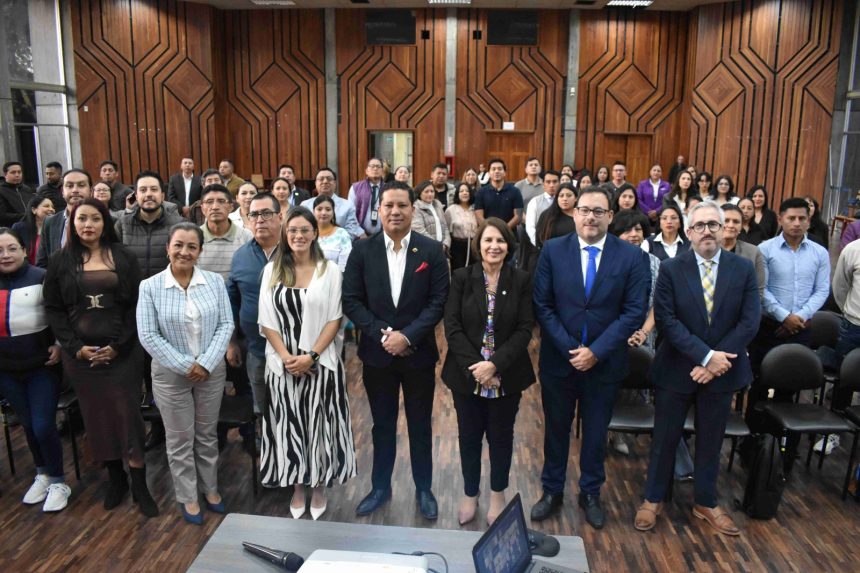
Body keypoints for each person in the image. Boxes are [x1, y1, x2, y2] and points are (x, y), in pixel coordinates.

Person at [635, 202, 760, 536]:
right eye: (700, 225)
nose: (707, 231)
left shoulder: (743, 269)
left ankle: (706, 501)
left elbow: (749, 321)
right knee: (665, 437)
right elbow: (667, 320)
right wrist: (705, 357)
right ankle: (653, 499)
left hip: (723, 370)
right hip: (677, 368)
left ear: (724, 229)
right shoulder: (670, 269)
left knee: (711, 440)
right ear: (688, 232)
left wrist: (715, 362)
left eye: (713, 225)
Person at [531, 186, 650, 529]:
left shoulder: (632, 257)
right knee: (556, 430)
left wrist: (596, 352)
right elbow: (542, 305)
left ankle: (590, 493)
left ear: (610, 216)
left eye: (599, 211)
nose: (590, 217)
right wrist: (573, 350)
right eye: (584, 210)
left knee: (596, 434)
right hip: (560, 360)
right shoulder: (553, 250)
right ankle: (552, 490)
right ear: (574, 213)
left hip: (605, 363)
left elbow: (634, 311)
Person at [43, 198, 158, 517]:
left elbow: (136, 305)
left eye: (95, 218)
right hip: (81, 358)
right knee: (97, 418)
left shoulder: (123, 256)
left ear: (105, 222)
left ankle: (140, 483)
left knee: (128, 416)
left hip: (123, 354)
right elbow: (54, 308)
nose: (88, 224)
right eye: (82, 219)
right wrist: (73, 346)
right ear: (72, 223)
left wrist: (118, 346)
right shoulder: (60, 260)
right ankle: (116, 478)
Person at [342, 181, 449, 520]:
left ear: (412, 210)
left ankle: (424, 489)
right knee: (382, 425)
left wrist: (408, 337)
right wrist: (384, 336)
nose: (395, 211)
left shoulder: (431, 251)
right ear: (379, 210)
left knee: (420, 425)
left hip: (418, 355)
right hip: (378, 356)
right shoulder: (362, 250)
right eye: (388, 205)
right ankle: (380, 487)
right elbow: (351, 300)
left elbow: (438, 302)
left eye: (402, 205)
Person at [259, 206, 356, 520]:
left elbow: (335, 319)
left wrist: (310, 356)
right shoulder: (272, 270)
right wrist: (287, 358)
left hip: (320, 364)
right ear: (285, 235)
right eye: (292, 230)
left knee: (320, 427)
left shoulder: (330, 271)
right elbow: (266, 320)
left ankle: (319, 487)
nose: (298, 235)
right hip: (282, 365)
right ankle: (298, 487)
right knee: (290, 427)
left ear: (315, 233)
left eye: (304, 230)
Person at [137, 222, 233, 524]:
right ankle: (188, 496)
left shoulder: (214, 282)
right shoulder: (150, 287)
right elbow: (148, 335)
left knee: (206, 434)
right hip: (170, 376)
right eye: (178, 245)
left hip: (210, 371)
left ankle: (210, 488)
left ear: (200, 251)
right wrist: (185, 365)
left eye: (192, 246)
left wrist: (205, 363)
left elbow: (226, 325)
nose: (184, 251)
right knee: (180, 439)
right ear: (168, 247)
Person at [442, 218, 535, 526]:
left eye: (500, 241)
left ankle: (497, 494)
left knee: (501, 437)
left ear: (509, 246)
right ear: (478, 245)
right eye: (488, 240)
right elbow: (452, 327)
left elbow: (525, 329)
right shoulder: (461, 277)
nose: (494, 246)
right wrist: (479, 369)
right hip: (466, 374)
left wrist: (494, 365)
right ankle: (470, 493)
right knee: (469, 437)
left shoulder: (520, 280)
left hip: (507, 374)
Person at [750, 198, 830, 457]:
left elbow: (822, 290)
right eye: (791, 218)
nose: (796, 223)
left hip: (801, 328)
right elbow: (761, 289)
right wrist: (784, 316)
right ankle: (753, 444)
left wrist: (799, 317)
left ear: (809, 220)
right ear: (781, 218)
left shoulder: (819, 253)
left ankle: (782, 447)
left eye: (802, 218)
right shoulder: (765, 249)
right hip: (768, 327)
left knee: (789, 388)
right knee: (760, 385)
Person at [0, 228, 69, 512]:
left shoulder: (41, 277)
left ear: (23, 250)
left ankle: (59, 481)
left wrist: (59, 344)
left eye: (11, 248)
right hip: (6, 370)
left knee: (43, 425)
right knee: (27, 424)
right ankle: (42, 473)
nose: (5, 255)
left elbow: (62, 314)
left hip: (42, 367)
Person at [116, 171, 184, 450]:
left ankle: (170, 429)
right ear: (136, 194)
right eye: (143, 190)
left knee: (166, 371)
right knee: (141, 372)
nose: (148, 195)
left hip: (167, 307)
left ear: (162, 194)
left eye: (153, 189)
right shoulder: (122, 224)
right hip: (131, 308)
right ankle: (147, 428)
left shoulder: (177, 224)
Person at [226, 193, 283, 419]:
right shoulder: (241, 256)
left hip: (293, 351)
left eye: (266, 214)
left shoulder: (297, 252)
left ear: (280, 217)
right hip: (256, 349)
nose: (259, 220)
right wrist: (231, 342)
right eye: (254, 215)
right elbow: (232, 302)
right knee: (262, 408)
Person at [36, 169, 93, 268]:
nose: (75, 190)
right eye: (69, 186)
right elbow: (42, 263)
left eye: (81, 185)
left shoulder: (105, 221)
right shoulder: (50, 222)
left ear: (91, 191)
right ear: (62, 191)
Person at [195, 184, 252, 279]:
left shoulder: (246, 236)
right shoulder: (194, 237)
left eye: (221, 201)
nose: (215, 207)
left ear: (231, 207)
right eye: (209, 202)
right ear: (202, 208)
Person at [830, 238, 860, 413]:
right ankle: (837, 421)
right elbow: (840, 287)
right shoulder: (853, 249)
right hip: (854, 325)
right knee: (844, 381)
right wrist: (849, 312)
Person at [300, 167, 364, 240]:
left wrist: (332, 243)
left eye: (329, 179)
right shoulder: (305, 205)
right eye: (321, 179)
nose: (325, 181)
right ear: (315, 183)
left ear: (335, 183)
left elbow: (351, 232)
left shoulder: (348, 206)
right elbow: (302, 229)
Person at [721, 204, 766, 298]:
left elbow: (758, 291)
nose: (731, 225)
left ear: (741, 227)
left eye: (736, 222)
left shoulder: (753, 252)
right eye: (726, 220)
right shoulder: (704, 249)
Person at [474, 158, 523, 231]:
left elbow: (518, 216)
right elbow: (479, 216)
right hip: (487, 233)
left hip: (509, 234)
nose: (496, 171)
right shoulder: (481, 192)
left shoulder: (515, 191)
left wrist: (503, 230)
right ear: (489, 173)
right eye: (493, 169)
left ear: (505, 172)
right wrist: (490, 230)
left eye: (500, 169)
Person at [313, 195, 352, 272]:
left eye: (328, 209)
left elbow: (344, 266)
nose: (323, 213)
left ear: (333, 212)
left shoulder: (342, 234)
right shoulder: (308, 233)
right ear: (313, 211)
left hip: (335, 277)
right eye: (319, 209)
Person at [348, 158, 387, 237]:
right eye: (372, 166)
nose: (375, 168)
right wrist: (360, 232)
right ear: (366, 171)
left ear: (382, 171)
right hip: (361, 236)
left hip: (384, 234)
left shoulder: (389, 188)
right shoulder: (356, 188)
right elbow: (350, 213)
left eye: (378, 166)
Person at [12, 196, 55, 265]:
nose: (51, 209)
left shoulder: (55, 228)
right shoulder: (19, 228)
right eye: (46, 206)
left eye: (52, 207)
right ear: (34, 210)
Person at [445, 182, 478, 270]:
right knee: (458, 271)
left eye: (467, 191)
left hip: (473, 245)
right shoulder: (451, 210)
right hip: (457, 246)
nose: (464, 193)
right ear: (457, 194)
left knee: (473, 270)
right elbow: (446, 230)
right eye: (461, 191)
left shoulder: (475, 209)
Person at [535, 182, 577, 249]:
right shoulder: (547, 215)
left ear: (576, 198)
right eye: (561, 196)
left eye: (569, 195)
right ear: (557, 198)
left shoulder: (581, 216)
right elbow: (539, 239)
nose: (565, 199)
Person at [412, 181, 451, 251]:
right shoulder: (416, 207)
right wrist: (436, 245)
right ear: (419, 193)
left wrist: (446, 244)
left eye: (432, 191)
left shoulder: (438, 205)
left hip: (442, 248)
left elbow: (445, 227)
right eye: (426, 192)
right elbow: (419, 230)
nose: (430, 194)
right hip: (425, 248)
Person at [525, 170, 560, 246]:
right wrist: (537, 243)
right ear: (543, 184)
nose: (551, 185)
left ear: (559, 183)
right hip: (540, 243)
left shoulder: (563, 201)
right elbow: (530, 227)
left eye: (555, 182)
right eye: (548, 182)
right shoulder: (535, 202)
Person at [0, 161, 36, 226]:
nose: (17, 175)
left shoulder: (26, 189)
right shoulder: (2, 190)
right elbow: (2, 215)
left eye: (19, 172)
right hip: (10, 228)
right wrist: (26, 216)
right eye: (13, 172)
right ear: (5, 174)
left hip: (31, 226)